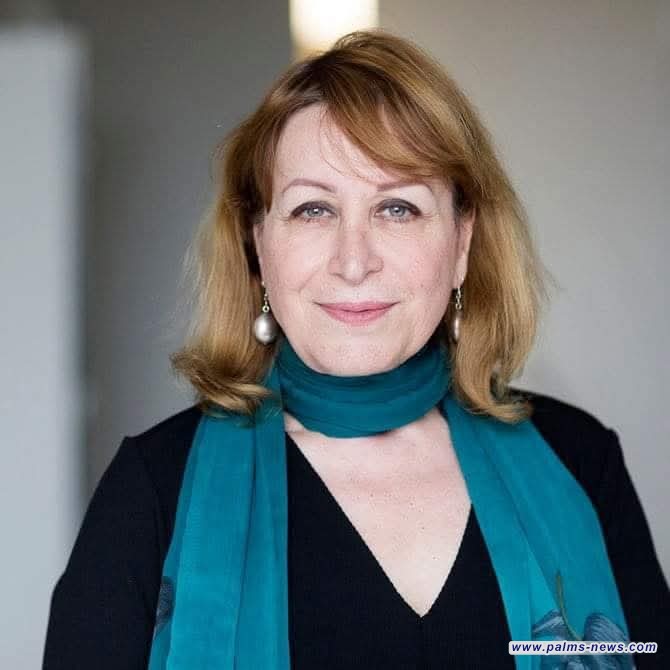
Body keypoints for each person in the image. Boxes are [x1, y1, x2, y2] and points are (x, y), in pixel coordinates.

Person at [42, 29, 669, 670]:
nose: (353, 261)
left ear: (461, 243)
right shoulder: (151, 490)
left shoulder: (582, 462)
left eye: (397, 208)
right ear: (258, 245)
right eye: (313, 210)